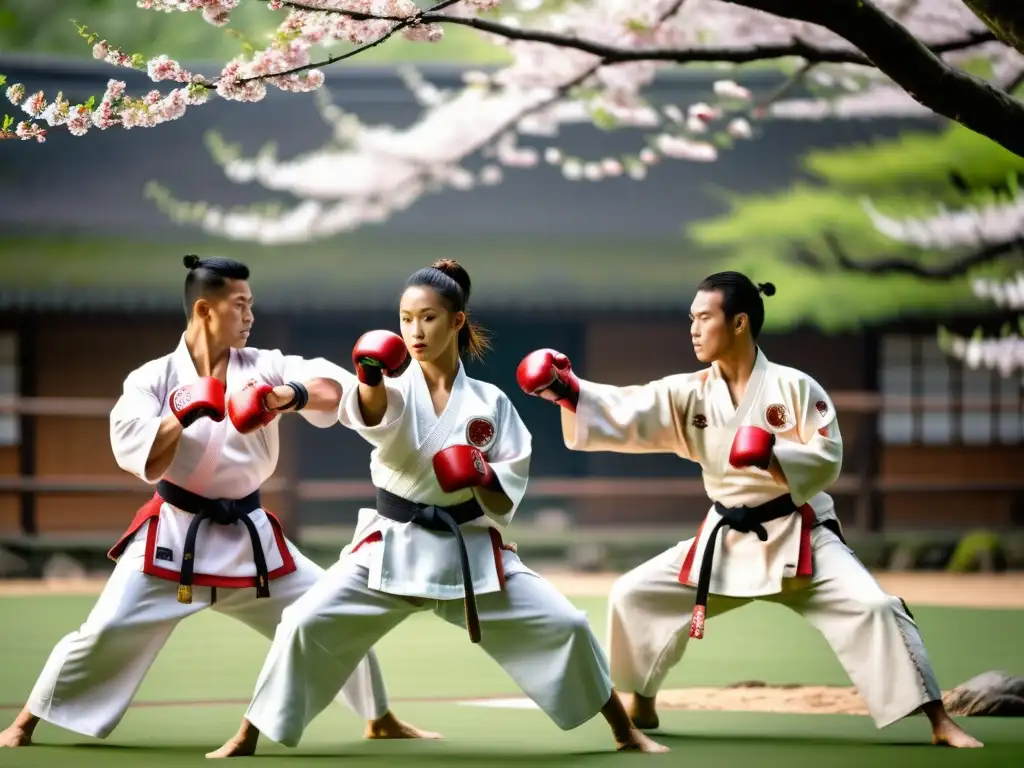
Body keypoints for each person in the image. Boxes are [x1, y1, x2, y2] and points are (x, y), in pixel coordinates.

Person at [207, 258, 670, 758]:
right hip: (388, 548)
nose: (414, 331)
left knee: (569, 625)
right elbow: (376, 419)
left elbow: (503, 496)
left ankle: (626, 732)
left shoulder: (490, 403)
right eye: (405, 319)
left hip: (465, 548)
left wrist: (482, 473)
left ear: (456, 321)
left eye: (427, 318)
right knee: (302, 622)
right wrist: (367, 373)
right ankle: (246, 735)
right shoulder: (390, 386)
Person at [516, 271, 983, 749]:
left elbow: (828, 456)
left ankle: (939, 720)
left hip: (799, 536)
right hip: (725, 535)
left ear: (739, 323)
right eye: (691, 319)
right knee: (633, 594)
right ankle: (644, 700)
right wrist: (569, 391)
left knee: (875, 606)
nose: (694, 329)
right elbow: (631, 407)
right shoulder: (691, 391)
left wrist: (773, 455)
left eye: (704, 318)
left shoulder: (796, 387)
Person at [0, 255, 436, 750]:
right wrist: (179, 416)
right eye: (240, 305)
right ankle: (24, 723)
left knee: (327, 610)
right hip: (175, 536)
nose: (250, 316)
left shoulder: (265, 364)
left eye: (251, 305)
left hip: (249, 538)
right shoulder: (153, 379)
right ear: (205, 310)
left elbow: (333, 389)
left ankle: (378, 715)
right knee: (104, 631)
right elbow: (139, 456)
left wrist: (285, 395)